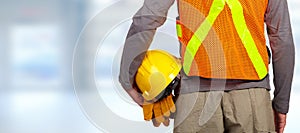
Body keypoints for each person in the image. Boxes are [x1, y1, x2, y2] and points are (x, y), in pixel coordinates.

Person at [119, 0, 295, 132]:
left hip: (195, 98)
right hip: (252, 97)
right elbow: (282, 38)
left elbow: (146, 20)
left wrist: (128, 77)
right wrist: (281, 104)